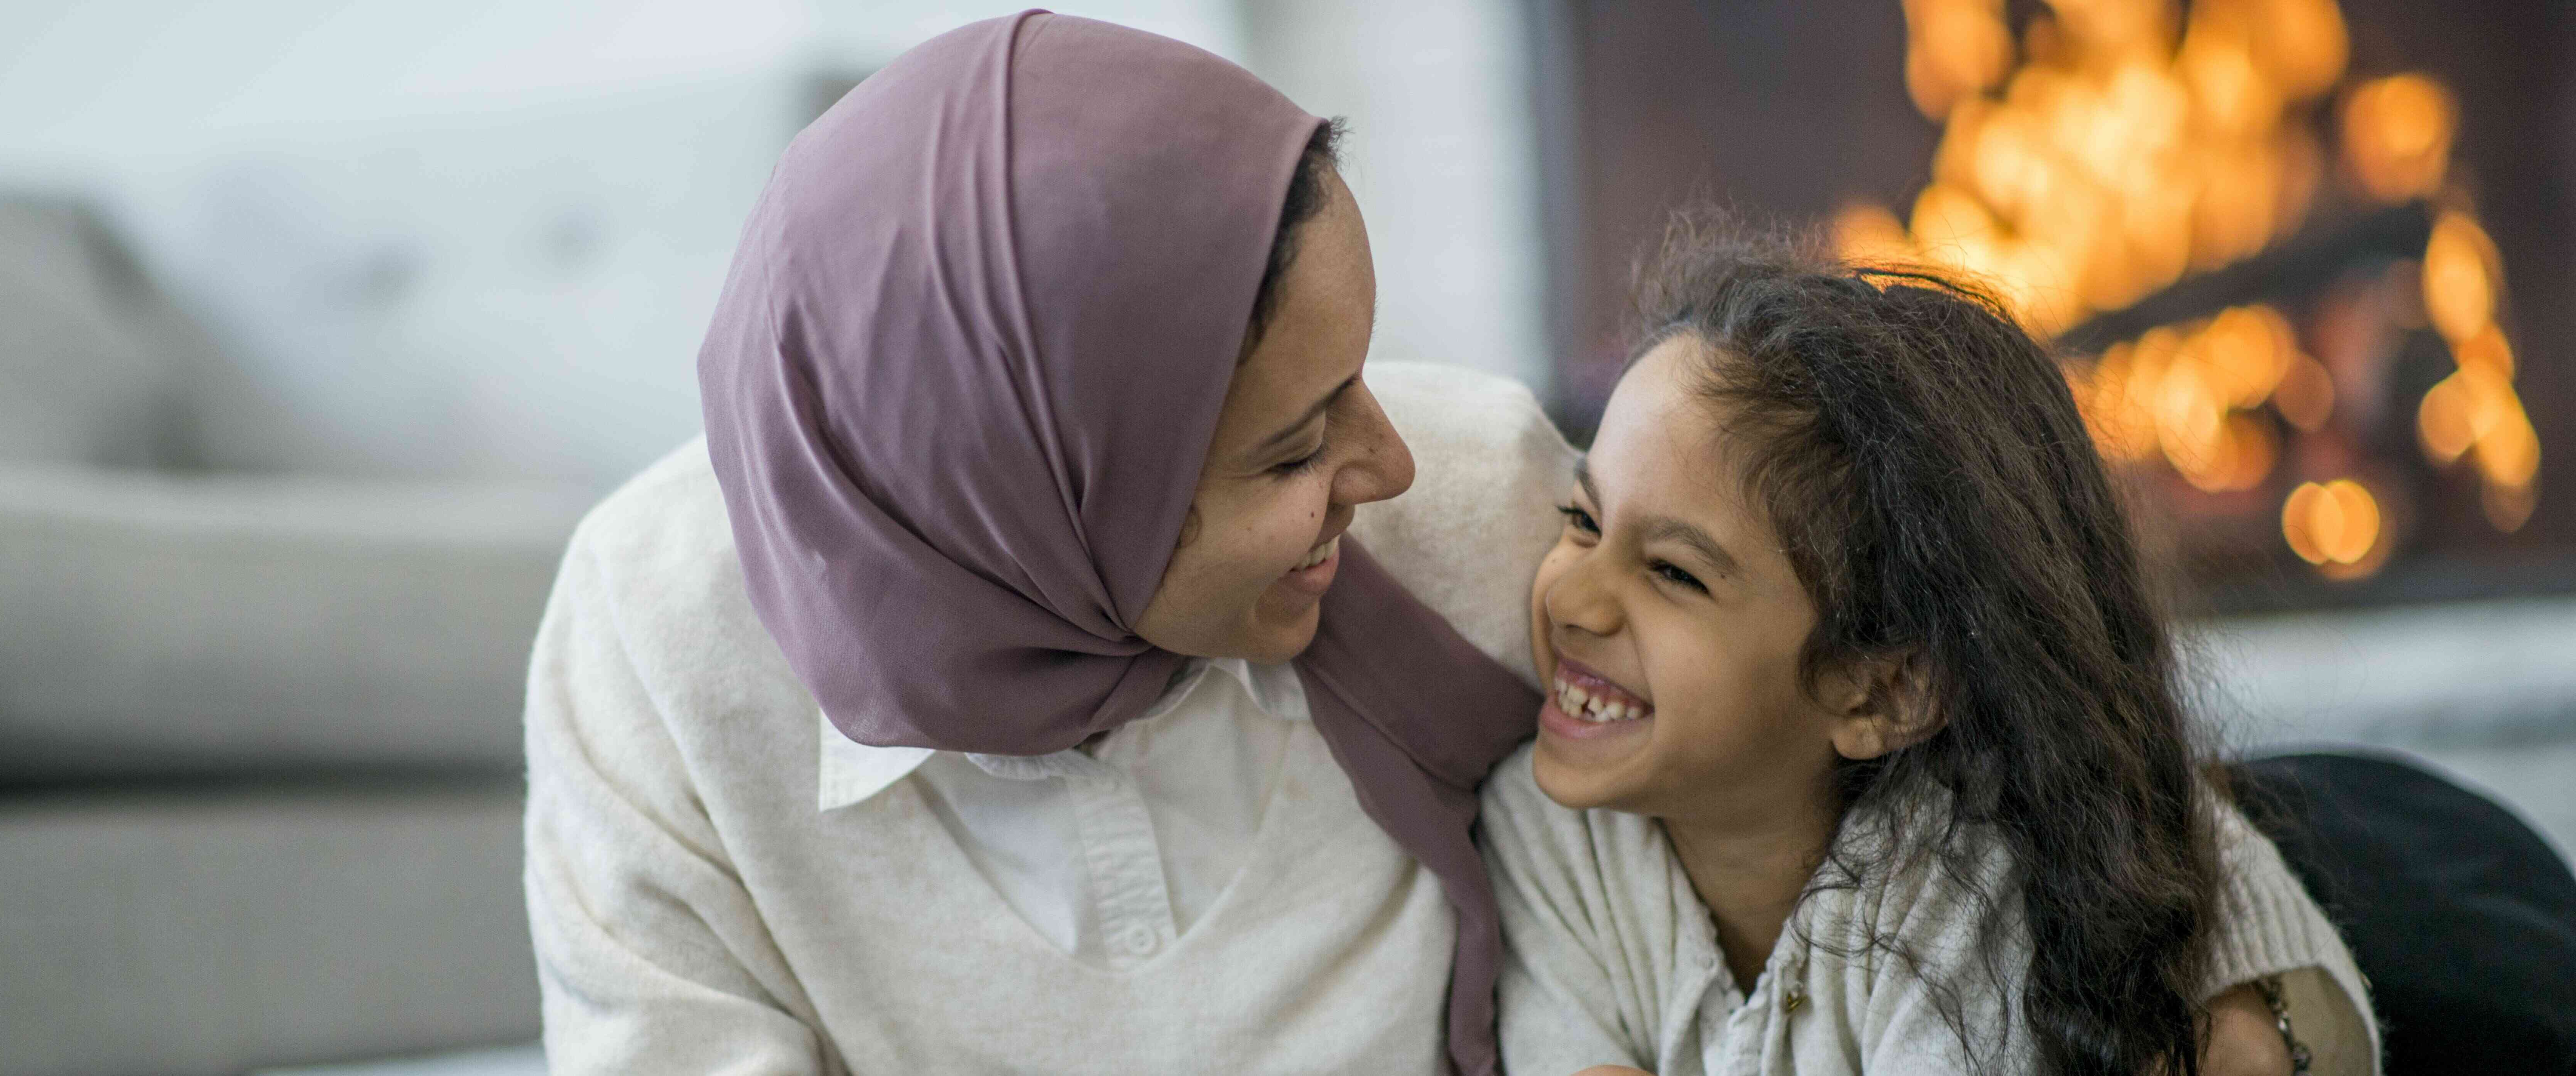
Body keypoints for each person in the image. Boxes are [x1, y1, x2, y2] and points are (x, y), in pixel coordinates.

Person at [521, 11, 1571, 1073]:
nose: (1393, 466)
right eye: (1293, 452)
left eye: (1363, 370)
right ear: (1035, 503)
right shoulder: (656, 637)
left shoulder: (1493, 515)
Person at [1480, 224, 2382, 1076]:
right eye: (1581, 519)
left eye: (1674, 575)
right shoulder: (1546, 831)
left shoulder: (1956, 892)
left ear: (1883, 691)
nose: (1574, 597)